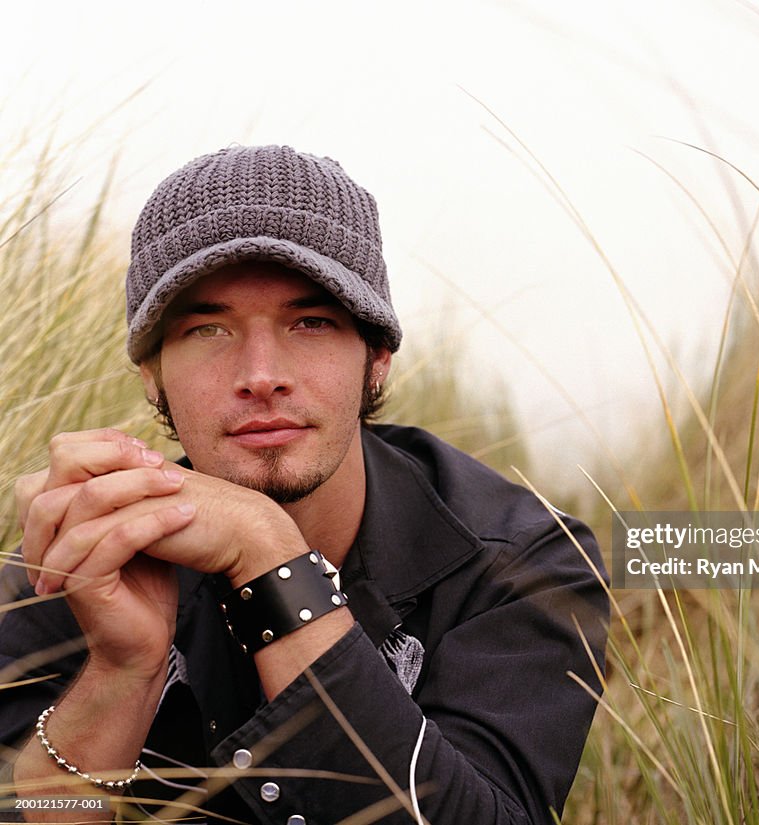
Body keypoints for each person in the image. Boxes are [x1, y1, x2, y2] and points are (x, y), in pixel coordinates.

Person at [0, 145, 609, 824]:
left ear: (376, 356)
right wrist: (120, 673)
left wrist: (268, 559)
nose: (261, 373)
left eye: (311, 322)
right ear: (151, 374)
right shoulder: (76, 559)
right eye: (207, 327)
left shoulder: (521, 561)